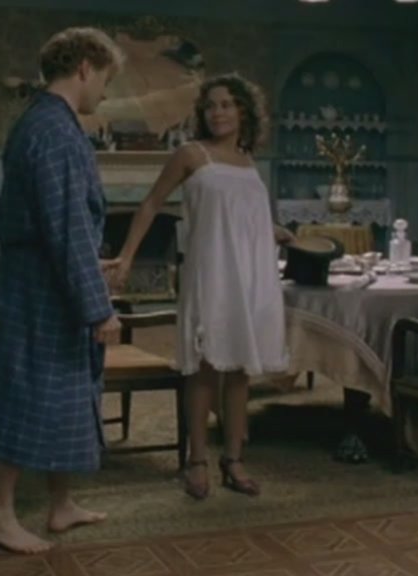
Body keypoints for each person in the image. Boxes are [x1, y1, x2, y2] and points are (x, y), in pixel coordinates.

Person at [111, 73, 293, 500]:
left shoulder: (248, 161)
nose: (217, 112)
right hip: (210, 273)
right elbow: (151, 203)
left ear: (243, 111)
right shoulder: (191, 154)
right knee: (205, 365)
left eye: (226, 104)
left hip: (249, 274)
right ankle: (196, 460)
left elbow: (239, 217)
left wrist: (272, 230)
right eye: (210, 106)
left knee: (239, 367)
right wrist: (127, 255)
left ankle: (233, 459)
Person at [0, 27, 125, 554]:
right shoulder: (55, 130)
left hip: (45, 275)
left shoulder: (45, 122)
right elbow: (65, 224)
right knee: (27, 389)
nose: (104, 91)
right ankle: (0, 515)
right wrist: (99, 308)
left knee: (66, 390)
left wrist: (88, 264)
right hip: (41, 288)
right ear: (85, 67)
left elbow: (58, 224)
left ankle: (61, 504)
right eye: (105, 79)